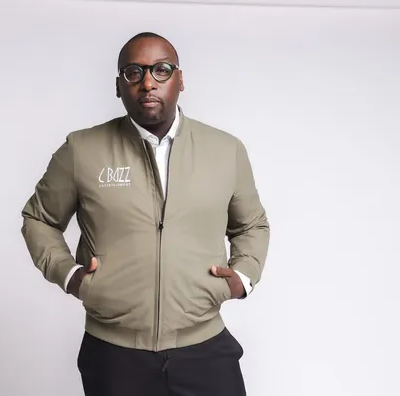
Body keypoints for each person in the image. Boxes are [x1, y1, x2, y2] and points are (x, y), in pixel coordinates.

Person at [21, 32, 270, 396]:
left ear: (180, 80)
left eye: (161, 70)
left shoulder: (226, 150)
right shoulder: (82, 150)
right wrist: (70, 275)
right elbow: (39, 218)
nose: (148, 83)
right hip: (114, 354)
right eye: (133, 72)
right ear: (118, 86)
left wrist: (243, 276)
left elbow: (252, 225)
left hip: (205, 348)